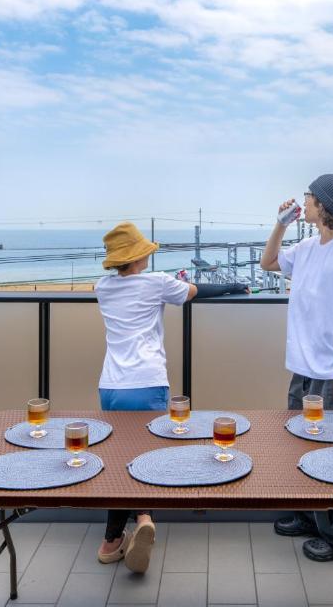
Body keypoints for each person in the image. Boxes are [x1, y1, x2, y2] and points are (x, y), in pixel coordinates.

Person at [94, 222, 247, 572]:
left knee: (120, 456)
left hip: (111, 385)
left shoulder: (102, 287)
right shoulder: (157, 282)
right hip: (147, 381)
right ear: (139, 256)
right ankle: (143, 518)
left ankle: (112, 540)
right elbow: (195, 291)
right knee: (145, 457)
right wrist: (235, 286)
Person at [259, 173, 333, 562]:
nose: (303, 202)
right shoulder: (307, 246)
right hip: (305, 369)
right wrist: (280, 223)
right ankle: (312, 517)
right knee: (304, 445)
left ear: (324, 206)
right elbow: (269, 261)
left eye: (308, 198)